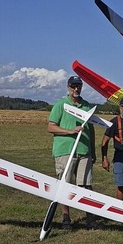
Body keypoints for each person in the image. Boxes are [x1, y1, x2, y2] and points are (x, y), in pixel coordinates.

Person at [47, 75, 99, 230]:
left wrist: (93, 150)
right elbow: (51, 127)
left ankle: (90, 219)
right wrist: (70, 131)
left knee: (86, 185)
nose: (76, 89)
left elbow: (91, 129)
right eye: (73, 86)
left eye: (78, 86)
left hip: (84, 151)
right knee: (65, 185)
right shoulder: (60, 105)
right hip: (65, 151)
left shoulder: (86, 106)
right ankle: (66, 219)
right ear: (68, 87)